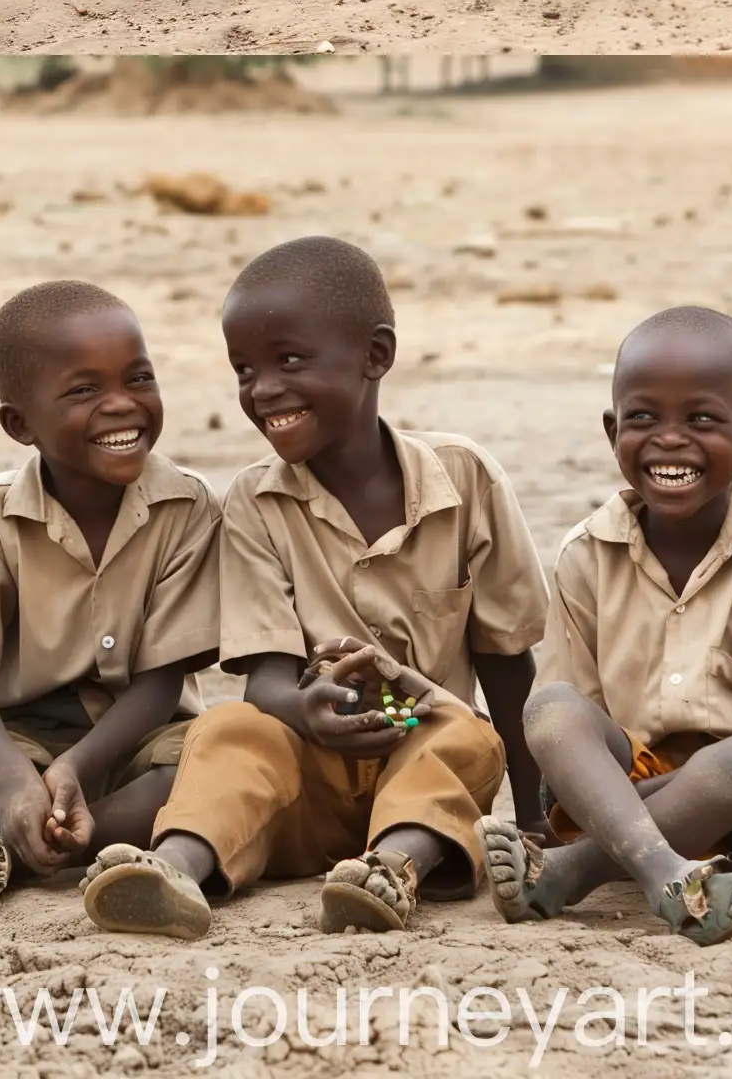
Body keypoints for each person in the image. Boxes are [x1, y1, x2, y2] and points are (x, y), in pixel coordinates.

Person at [81, 237, 548, 940]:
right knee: (227, 728)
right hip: (305, 782)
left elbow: (509, 664)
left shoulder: (467, 479)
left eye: (289, 361)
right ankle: (173, 869)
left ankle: (390, 871)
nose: (262, 390)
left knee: (470, 733)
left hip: (420, 754)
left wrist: (539, 815)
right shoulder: (254, 502)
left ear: (375, 356)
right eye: (244, 369)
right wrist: (307, 709)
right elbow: (265, 684)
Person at [481, 307, 732, 946]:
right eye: (644, 417)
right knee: (548, 706)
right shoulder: (586, 552)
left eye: (703, 419)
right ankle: (667, 872)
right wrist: (616, 801)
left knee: (731, 764)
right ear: (612, 431)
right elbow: (570, 724)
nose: (670, 439)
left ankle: (576, 872)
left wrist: (626, 814)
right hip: (630, 782)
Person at [0, 281, 219, 913]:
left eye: (138, 378)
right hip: (24, 737)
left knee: (206, 765)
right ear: (19, 423)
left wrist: (77, 769)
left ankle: (24, 854)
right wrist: (15, 780)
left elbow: (163, 681)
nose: (121, 405)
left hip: (145, 734)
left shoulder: (189, 508)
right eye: (84, 390)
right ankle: (29, 827)